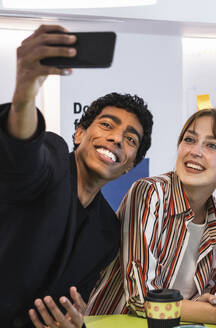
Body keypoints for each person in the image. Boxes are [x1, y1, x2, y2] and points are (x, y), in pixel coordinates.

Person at [0, 25, 153, 328]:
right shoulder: (52, 157)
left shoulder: (108, 231)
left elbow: (69, 306)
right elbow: (21, 152)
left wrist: (73, 323)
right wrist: (26, 89)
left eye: (131, 139)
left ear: (129, 167)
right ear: (80, 133)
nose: (117, 139)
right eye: (107, 125)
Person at [86, 108, 216, 327]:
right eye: (189, 139)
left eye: (211, 145)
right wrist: (214, 315)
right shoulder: (151, 193)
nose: (195, 151)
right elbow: (141, 298)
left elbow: (198, 299)